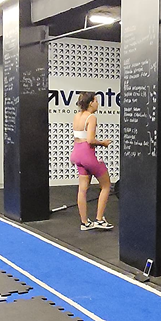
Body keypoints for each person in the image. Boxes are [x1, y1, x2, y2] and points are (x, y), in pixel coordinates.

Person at [70, 92, 113, 231]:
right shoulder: (91, 117)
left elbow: (78, 137)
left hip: (76, 153)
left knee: (82, 189)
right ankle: (99, 220)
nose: (97, 104)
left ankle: (85, 223)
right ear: (90, 103)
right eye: (96, 101)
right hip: (87, 154)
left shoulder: (77, 116)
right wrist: (103, 143)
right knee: (106, 185)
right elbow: (90, 140)